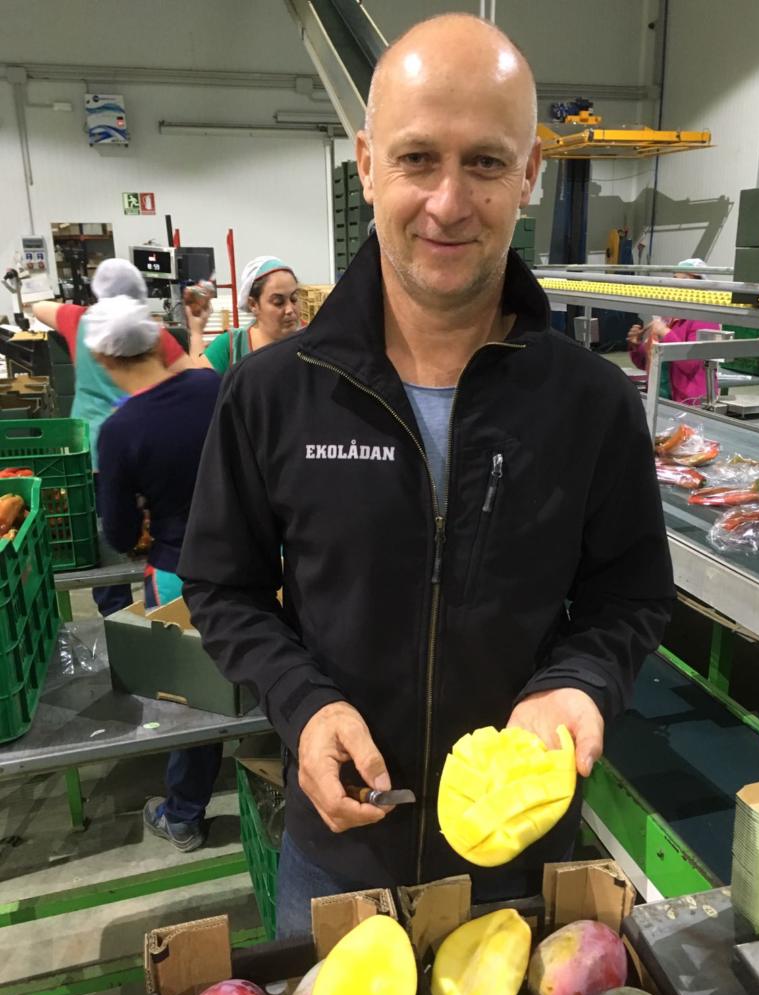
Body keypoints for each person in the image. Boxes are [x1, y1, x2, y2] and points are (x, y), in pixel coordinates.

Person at [179, 13, 674, 936]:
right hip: (339, 859)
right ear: (367, 164)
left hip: (521, 864)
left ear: (530, 173)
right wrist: (302, 704)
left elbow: (632, 594)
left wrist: (580, 679)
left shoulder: (591, 403)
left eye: (485, 162)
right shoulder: (274, 394)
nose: (449, 203)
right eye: (417, 159)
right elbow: (220, 585)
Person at [84, 296, 223, 851]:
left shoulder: (120, 430)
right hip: (253, 558)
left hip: (179, 573)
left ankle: (184, 814)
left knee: (194, 697)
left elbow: (119, 534)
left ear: (102, 358)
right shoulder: (213, 388)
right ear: (155, 339)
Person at [32, 259, 193, 616]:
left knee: (106, 539)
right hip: (143, 449)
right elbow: (195, 372)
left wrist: (77, 309)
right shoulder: (152, 334)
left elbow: (39, 307)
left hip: (89, 453)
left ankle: (116, 615)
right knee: (152, 524)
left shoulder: (80, 321)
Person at [627, 258, 722, 404]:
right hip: (661, 398)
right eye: (675, 279)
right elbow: (648, 363)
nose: (677, 285)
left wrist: (665, 333)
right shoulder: (667, 319)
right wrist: (636, 346)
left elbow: (690, 364)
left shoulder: (704, 319)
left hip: (690, 402)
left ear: (700, 285)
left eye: (684, 279)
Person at [186, 257, 301, 373]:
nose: (290, 310)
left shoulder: (307, 347)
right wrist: (196, 332)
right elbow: (198, 380)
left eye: (294, 299)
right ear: (253, 304)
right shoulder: (232, 346)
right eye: (278, 302)